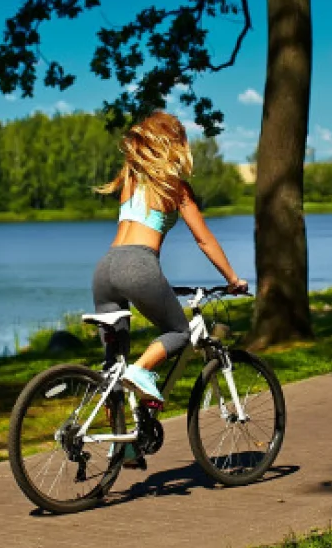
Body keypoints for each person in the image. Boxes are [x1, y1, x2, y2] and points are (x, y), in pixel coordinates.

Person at [92, 111, 248, 407]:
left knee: (113, 368)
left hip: (105, 268)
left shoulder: (130, 180)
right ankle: (141, 371)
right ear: (174, 145)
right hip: (137, 264)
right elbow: (204, 239)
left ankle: (122, 450)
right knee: (180, 331)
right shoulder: (176, 188)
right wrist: (232, 279)